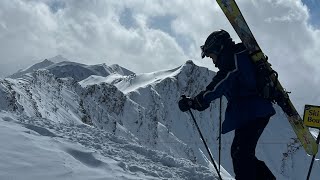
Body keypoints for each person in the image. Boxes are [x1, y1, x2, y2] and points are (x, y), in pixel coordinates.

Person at [178, 29, 276, 180]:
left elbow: (219, 85)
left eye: (211, 55)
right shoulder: (236, 58)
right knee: (241, 154)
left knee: (241, 155)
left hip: (253, 112)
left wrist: (195, 102)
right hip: (251, 113)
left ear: (219, 48)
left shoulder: (233, 60)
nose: (213, 61)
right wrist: (197, 102)